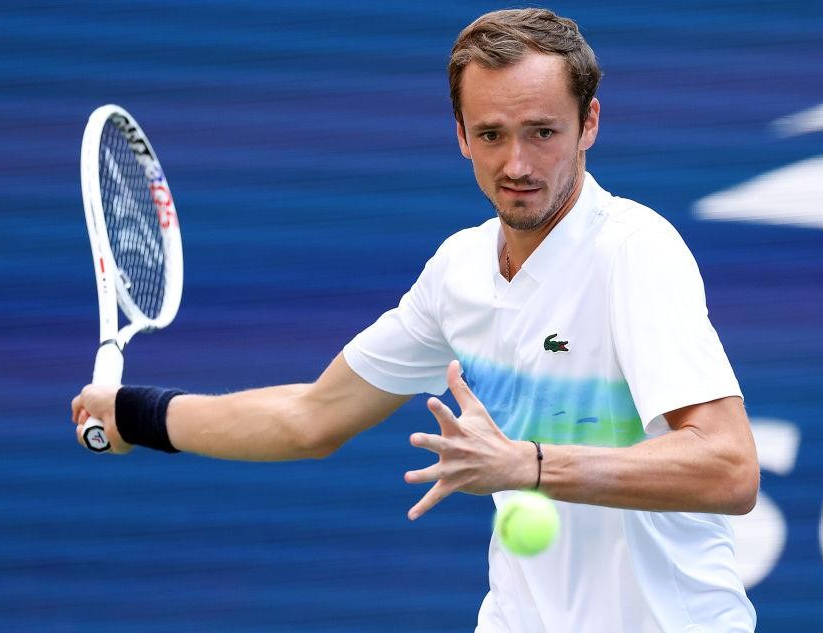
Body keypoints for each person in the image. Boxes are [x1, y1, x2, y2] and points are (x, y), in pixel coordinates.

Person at [72, 8, 759, 632]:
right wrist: (136, 414)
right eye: (491, 135)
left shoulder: (634, 253)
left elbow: (729, 467)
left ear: (590, 124)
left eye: (543, 132)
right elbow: (311, 417)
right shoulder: (458, 271)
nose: (517, 164)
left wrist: (527, 463)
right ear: (461, 135)